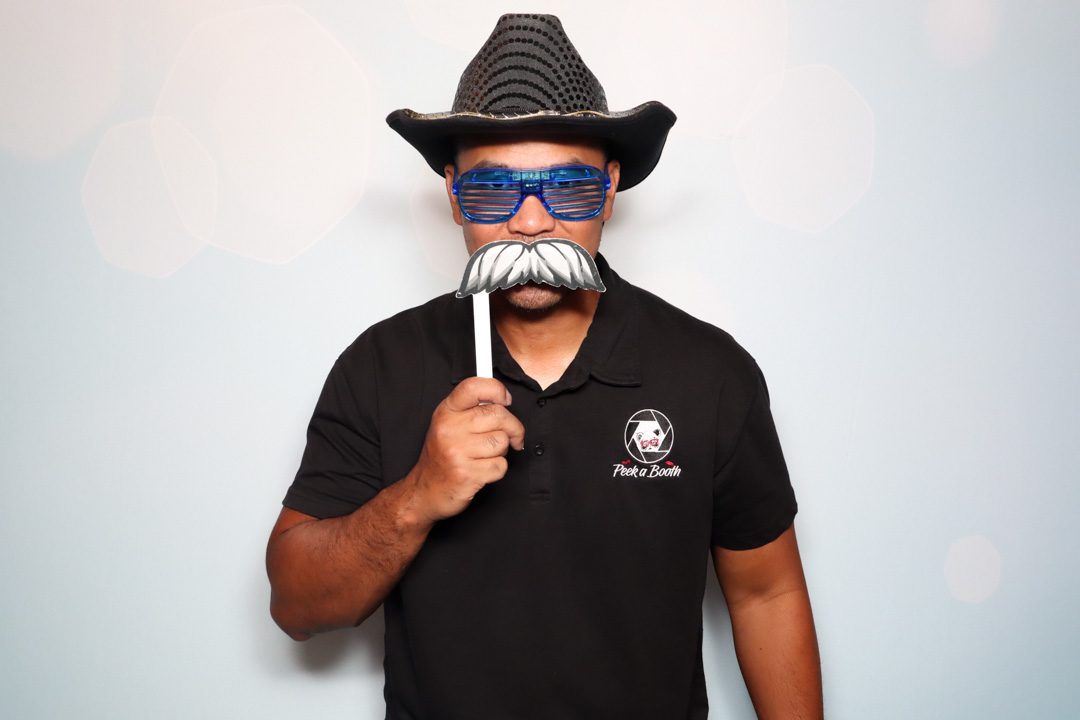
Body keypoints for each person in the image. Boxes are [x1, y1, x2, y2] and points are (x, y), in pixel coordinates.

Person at [266, 13, 822, 720]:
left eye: (570, 187)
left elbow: (767, 594)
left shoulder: (710, 374)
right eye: (493, 190)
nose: (530, 223)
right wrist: (418, 496)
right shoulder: (380, 366)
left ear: (611, 188)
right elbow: (296, 607)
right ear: (452, 194)